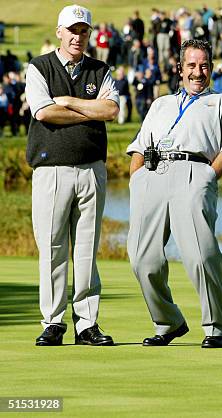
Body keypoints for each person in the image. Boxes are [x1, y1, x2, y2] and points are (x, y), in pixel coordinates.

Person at [126, 39, 222, 349]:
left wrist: (207, 177)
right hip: (152, 176)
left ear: (211, 68)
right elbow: (139, 145)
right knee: (142, 258)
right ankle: (168, 322)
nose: (197, 72)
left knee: (201, 256)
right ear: (180, 68)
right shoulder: (160, 104)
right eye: (191, 65)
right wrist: (135, 180)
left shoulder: (221, 103)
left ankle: (216, 327)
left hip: (194, 173)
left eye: (203, 65)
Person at [25, 4, 119, 346]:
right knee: (52, 247)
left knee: (86, 248)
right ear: (59, 32)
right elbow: (45, 112)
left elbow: (111, 109)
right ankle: (53, 322)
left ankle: (87, 324)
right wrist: (87, 112)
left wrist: (69, 101)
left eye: (83, 31)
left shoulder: (100, 69)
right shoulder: (39, 68)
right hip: (51, 169)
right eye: (72, 30)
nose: (78, 37)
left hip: (92, 168)